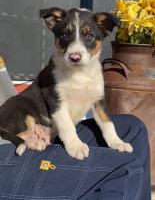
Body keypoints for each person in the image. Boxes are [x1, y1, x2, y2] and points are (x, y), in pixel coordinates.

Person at [0, 58, 151, 200]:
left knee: (133, 128)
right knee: (125, 168)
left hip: (20, 125)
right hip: (8, 152)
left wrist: (28, 120)